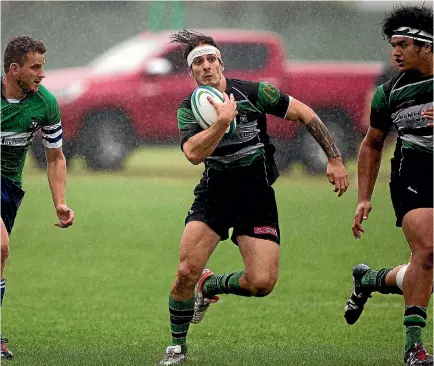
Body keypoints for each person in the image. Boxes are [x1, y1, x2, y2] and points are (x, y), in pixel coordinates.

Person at [159, 29, 349, 365]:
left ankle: (211, 286)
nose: (206, 66)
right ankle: (177, 348)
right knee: (186, 270)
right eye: (198, 62)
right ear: (191, 71)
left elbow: (305, 113)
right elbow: (192, 153)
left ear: (221, 63)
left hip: (256, 195)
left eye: (211, 59)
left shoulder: (254, 92)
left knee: (261, 283)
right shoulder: (187, 108)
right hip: (214, 194)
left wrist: (333, 158)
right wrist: (221, 122)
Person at [345, 5, 433, 365]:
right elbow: (372, 143)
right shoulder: (389, 92)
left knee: (422, 264)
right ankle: (414, 347)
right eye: (392, 44)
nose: (394, 52)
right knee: (427, 252)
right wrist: (364, 197)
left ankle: (369, 280)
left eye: (403, 44)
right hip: (414, 174)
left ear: (426, 46)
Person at [1, 35, 75, 359]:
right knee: (0, 248)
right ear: (14, 69)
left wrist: (59, 201)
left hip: (9, 188)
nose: (42, 74)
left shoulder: (45, 104)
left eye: (42, 66)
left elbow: (56, 158)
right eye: (36, 67)